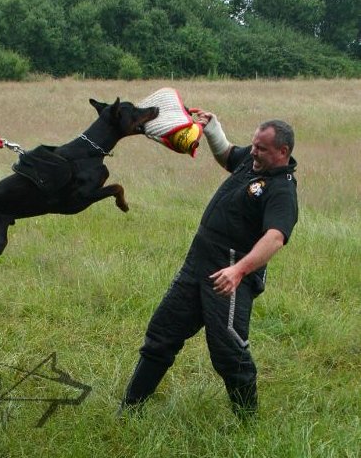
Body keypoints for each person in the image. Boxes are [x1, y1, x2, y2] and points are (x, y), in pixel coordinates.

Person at [120, 111, 298, 417]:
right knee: (160, 336)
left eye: (261, 148)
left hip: (227, 274)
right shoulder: (251, 161)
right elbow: (228, 154)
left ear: (282, 152)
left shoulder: (281, 188)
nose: (253, 151)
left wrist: (239, 270)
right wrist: (213, 126)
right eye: (254, 145)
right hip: (197, 265)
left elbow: (275, 237)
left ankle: (247, 423)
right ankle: (130, 408)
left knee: (229, 354)